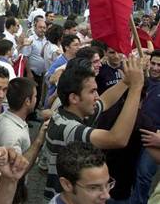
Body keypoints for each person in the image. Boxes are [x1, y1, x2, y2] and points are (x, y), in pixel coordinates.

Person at [44, 57, 144, 200]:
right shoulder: (68, 127)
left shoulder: (70, 112)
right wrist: (136, 87)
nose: (97, 97)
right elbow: (118, 139)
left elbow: (105, 101)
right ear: (74, 98)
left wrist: (126, 81)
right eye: (92, 92)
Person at [0, 77, 48, 203]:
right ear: (27, 101)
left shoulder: (5, 117)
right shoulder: (12, 134)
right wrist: (39, 140)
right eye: (34, 96)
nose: (36, 99)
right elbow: (16, 171)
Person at [130, 49, 160, 204]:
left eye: (159, 65)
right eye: (153, 63)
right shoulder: (142, 81)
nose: (155, 68)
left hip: (153, 139)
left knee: (144, 174)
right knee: (133, 172)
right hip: (134, 134)